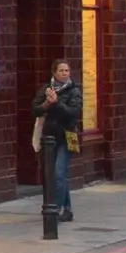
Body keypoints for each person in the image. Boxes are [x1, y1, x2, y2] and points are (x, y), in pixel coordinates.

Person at [32, 58, 83, 222]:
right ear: (54, 72)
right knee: (52, 174)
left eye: (67, 70)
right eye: (61, 70)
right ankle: (67, 209)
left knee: (59, 173)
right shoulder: (46, 89)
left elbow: (72, 112)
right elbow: (35, 109)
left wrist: (56, 102)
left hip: (67, 136)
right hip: (49, 138)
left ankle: (56, 208)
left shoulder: (74, 91)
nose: (64, 73)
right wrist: (47, 103)